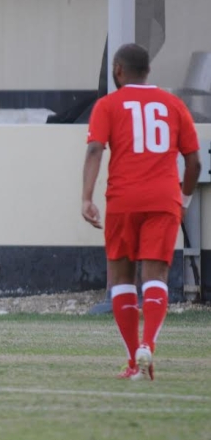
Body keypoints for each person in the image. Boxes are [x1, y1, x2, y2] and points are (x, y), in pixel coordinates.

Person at [81, 43, 201, 381]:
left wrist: (86, 197)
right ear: (147, 71)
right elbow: (194, 161)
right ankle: (149, 343)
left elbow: (94, 149)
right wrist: (183, 200)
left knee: (121, 280)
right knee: (156, 278)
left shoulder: (108, 105)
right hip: (164, 200)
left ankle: (134, 360)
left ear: (118, 69)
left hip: (123, 200)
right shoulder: (174, 104)